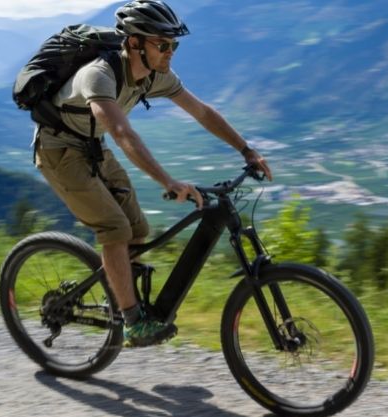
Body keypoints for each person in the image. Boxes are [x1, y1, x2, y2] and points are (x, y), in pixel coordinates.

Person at [33, 0, 273, 347]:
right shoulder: (98, 74)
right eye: (163, 44)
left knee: (138, 230)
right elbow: (122, 133)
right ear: (134, 43)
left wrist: (246, 150)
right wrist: (168, 182)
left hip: (91, 147)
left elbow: (202, 112)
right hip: (59, 152)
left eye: (173, 44)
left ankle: (119, 296)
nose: (170, 52)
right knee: (114, 228)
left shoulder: (156, 75)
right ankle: (132, 321)